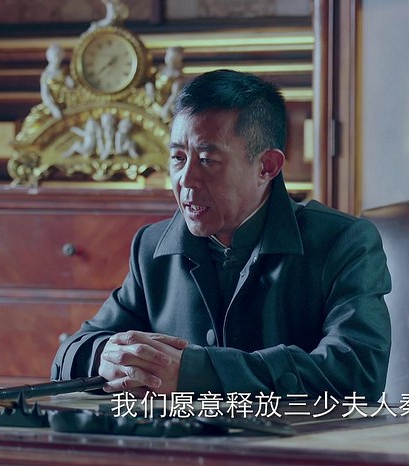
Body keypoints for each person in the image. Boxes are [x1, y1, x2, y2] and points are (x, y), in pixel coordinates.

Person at [52, 70, 391, 402]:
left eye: (207, 160)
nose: (185, 180)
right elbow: (69, 355)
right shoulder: (153, 247)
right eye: (177, 158)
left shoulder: (343, 242)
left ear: (267, 166)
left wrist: (198, 372)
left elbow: (358, 372)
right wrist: (108, 355)